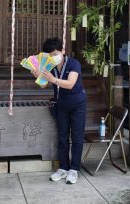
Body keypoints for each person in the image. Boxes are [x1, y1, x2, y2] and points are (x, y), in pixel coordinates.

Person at [32, 37, 87, 184]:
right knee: (62, 137)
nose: (53, 57)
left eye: (56, 54)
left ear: (63, 51)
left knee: (76, 137)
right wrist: (37, 76)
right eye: (50, 56)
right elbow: (44, 85)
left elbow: (70, 84)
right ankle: (63, 168)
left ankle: (74, 169)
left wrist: (52, 79)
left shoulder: (74, 64)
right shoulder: (49, 66)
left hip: (77, 105)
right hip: (61, 105)